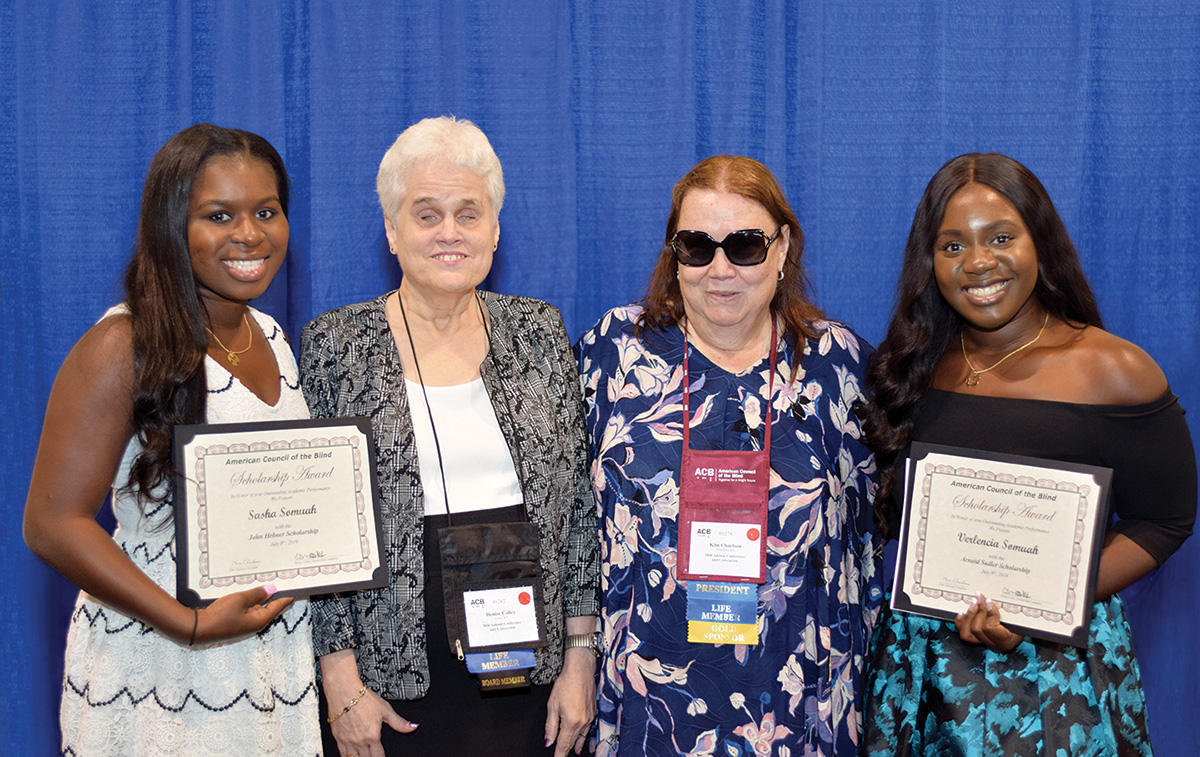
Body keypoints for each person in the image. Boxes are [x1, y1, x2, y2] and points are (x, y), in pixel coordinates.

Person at [859, 152, 1196, 755]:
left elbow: (1166, 520)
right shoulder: (911, 367)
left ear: (1040, 241)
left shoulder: (1115, 370)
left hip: (1060, 677)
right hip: (923, 672)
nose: (978, 262)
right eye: (952, 245)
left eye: (1001, 237)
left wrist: (1045, 604)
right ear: (929, 262)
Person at [299, 115, 600, 757]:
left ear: (494, 229)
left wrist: (580, 658)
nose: (449, 233)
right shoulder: (336, 348)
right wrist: (340, 681)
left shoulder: (539, 333)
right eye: (426, 213)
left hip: (528, 666)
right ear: (391, 228)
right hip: (390, 678)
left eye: (469, 213)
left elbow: (576, 512)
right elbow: (318, 538)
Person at [23, 123, 319, 755]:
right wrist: (187, 623)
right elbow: (52, 523)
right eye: (219, 215)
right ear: (170, 227)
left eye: (267, 211)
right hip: (158, 662)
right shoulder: (120, 347)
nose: (249, 234)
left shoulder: (272, 337)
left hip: (273, 659)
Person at [575, 155, 882, 756]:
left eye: (744, 246)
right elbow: (557, 514)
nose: (720, 269)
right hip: (645, 705)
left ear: (782, 246)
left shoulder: (837, 365)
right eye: (696, 246)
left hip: (800, 705)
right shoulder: (613, 355)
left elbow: (886, 522)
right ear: (674, 252)